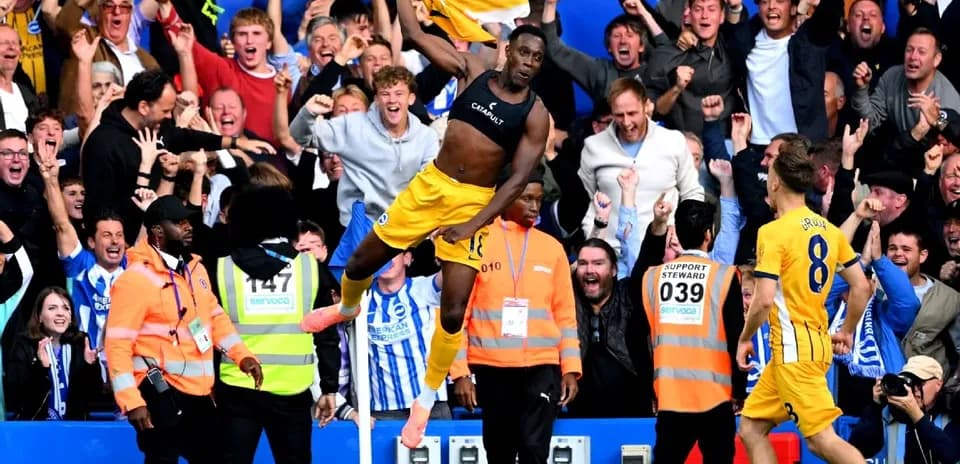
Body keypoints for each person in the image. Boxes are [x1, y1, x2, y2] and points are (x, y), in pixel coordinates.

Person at [299, 0, 550, 449]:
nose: (529, 63)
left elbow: (515, 184)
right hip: (431, 186)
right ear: (507, 50)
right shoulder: (473, 69)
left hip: (474, 204)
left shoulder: (535, 114)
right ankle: (348, 308)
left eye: (537, 58)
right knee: (358, 265)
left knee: (453, 311)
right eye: (524, 53)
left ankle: (425, 399)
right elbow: (413, 32)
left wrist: (472, 224)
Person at [735, 140, 872, 463]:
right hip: (813, 347)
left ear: (776, 181)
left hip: (793, 352)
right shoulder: (829, 230)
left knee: (822, 441)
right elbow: (861, 287)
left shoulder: (773, 232)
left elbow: (764, 299)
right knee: (751, 427)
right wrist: (848, 331)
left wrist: (744, 338)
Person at [104, 195, 263, 463]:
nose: (188, 227)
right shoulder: (135, 279)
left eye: (188, 221)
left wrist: (241, 354)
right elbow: (117, 344)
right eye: (179, 222)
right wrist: (132, 401)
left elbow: (214, 316)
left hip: (199, 391)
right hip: (158, 388)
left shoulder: (195, 269)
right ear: (157, 232)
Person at [449, 169, 580, 463]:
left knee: (535, 450)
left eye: (539, 200)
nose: (535, 207)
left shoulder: (552, 249)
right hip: (492, 367)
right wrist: (460, 373)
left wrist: (570, 367)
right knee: (499, 451)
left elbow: (565, 316)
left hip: (541, 366)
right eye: (527, 199)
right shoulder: (477, 244)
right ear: (505, 198)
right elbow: (458, 316)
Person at [210, 186, 340, 464]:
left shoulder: (222, 267)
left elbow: (211, 327)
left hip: (236, 387)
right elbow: (327, 332)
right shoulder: (310, 267)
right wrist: (329, 387)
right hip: (292, 389)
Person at [640, 199, 746, 463]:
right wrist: (740, 391)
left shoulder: (653, 277)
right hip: (715, 396)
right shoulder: (725, 276)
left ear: (678, 231)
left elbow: (640, 337)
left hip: (671, 395)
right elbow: (737, 337)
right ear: (709, 234)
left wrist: (650, 388)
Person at [4, 286, 102, 420]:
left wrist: (90, 367)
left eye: (66, 308)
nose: (60, 313)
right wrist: (41, 368)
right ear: (39, 316)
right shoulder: (25, 344)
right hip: (34, 429)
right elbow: (15, 397)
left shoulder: (80, 343)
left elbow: (93, 396)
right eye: (52, 308)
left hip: (74, 430)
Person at [848, 355, 960, 463]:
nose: (914, 389)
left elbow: (950, 455)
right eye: (910, 382)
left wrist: (915, 414)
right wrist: (875, 406)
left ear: (938, 384)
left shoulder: (951, 413)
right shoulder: (892, 412)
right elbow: (858, 450)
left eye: (920, 383)